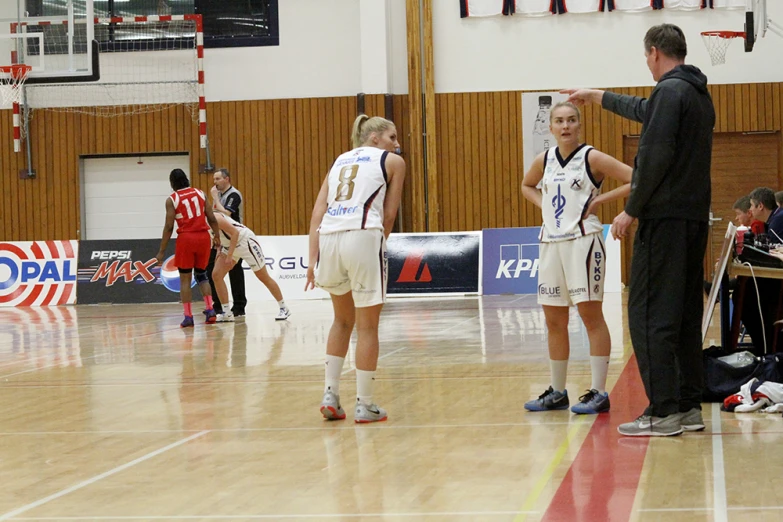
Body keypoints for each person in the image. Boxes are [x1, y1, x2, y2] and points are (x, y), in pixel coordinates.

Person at [564, 23, 715, 436]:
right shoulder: (696, 94)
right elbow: (645, 111)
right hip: (692, 219)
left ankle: (663, 409)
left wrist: (630, 210)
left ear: (653, 54)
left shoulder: (669, 92)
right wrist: (598, 97)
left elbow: (653, 159)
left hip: (663, 220)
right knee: (683, 313)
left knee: (648, 314)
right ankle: (686, 405)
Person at [520, 102, 632, 415]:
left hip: (584, 241)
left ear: (579, 125)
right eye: (559, 121)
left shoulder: (591, 157)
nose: (565, 126)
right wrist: (543, 206)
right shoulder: (544, 159)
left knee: (590, 316)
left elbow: (634, 178)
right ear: (551, 127)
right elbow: (526, 185)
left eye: (571, 120)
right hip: (551, 242)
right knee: (553, 319)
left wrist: (601, 200)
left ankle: (599, 391)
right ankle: (557, 391)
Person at [305, 114, 406, 424]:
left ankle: (330, 396)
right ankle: (365, 403)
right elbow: (389, 215)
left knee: (341, 320)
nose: (396, 143)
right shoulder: (392, 161)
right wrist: (376, 243)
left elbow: (318, 212)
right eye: (392, 137)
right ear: (374, 138)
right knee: (367, 326)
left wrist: (312, 261)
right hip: (363, 234)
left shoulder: (339, 160)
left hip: (330, 239)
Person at [155, 168, 221, 328]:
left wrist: (161, 251)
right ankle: (210, 310)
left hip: (187, 238)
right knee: (202, 275)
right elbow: (211, 217)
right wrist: (217, 236)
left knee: (185, 278)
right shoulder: (200, 193)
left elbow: (169, 226)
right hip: (203, 237)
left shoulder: (172, 199)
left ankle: (188, 316)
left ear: (172, 183)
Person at [211, 212, 291, 321]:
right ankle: (227, 312)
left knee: (263, 277)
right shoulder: (200, 222)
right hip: (228, 245)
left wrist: (229, 255)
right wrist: (220, 250)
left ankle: (283, 307)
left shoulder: (216, 218)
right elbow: (217, 237)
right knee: (216, 275)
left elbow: (235, 233)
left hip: (245, 241)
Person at [207, 169, 247, 318]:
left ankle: (239, 306)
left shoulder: (233, 195)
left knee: (235, 272)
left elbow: (226, 214)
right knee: (213, 270)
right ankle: (218, 305)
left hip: (235, 238)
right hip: (220, 239)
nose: (215, 182)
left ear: (227, 179)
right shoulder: (221, 195)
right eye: (214, 179)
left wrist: (215, 198)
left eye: (217, 179)